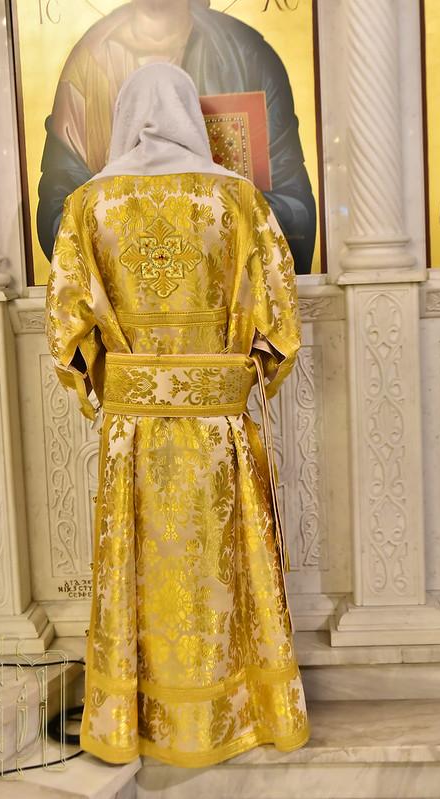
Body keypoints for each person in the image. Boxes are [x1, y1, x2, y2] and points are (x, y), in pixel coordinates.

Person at [45, 61, 310, 767]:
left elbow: (66, 329)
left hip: (132, 436)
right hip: (218, 434)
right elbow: (280, 321)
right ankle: (244, 711)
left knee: (140, 570)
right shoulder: (237, 200)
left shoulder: (88, 205)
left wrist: (105, 379)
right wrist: (243, 371)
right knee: (226, 570)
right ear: (191, 113)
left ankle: (135, 719)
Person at [37, 0, 316, 273]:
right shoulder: (88, 63)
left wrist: (212, 215)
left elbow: (294, 212)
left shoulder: (246, 56)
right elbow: (61, 226)